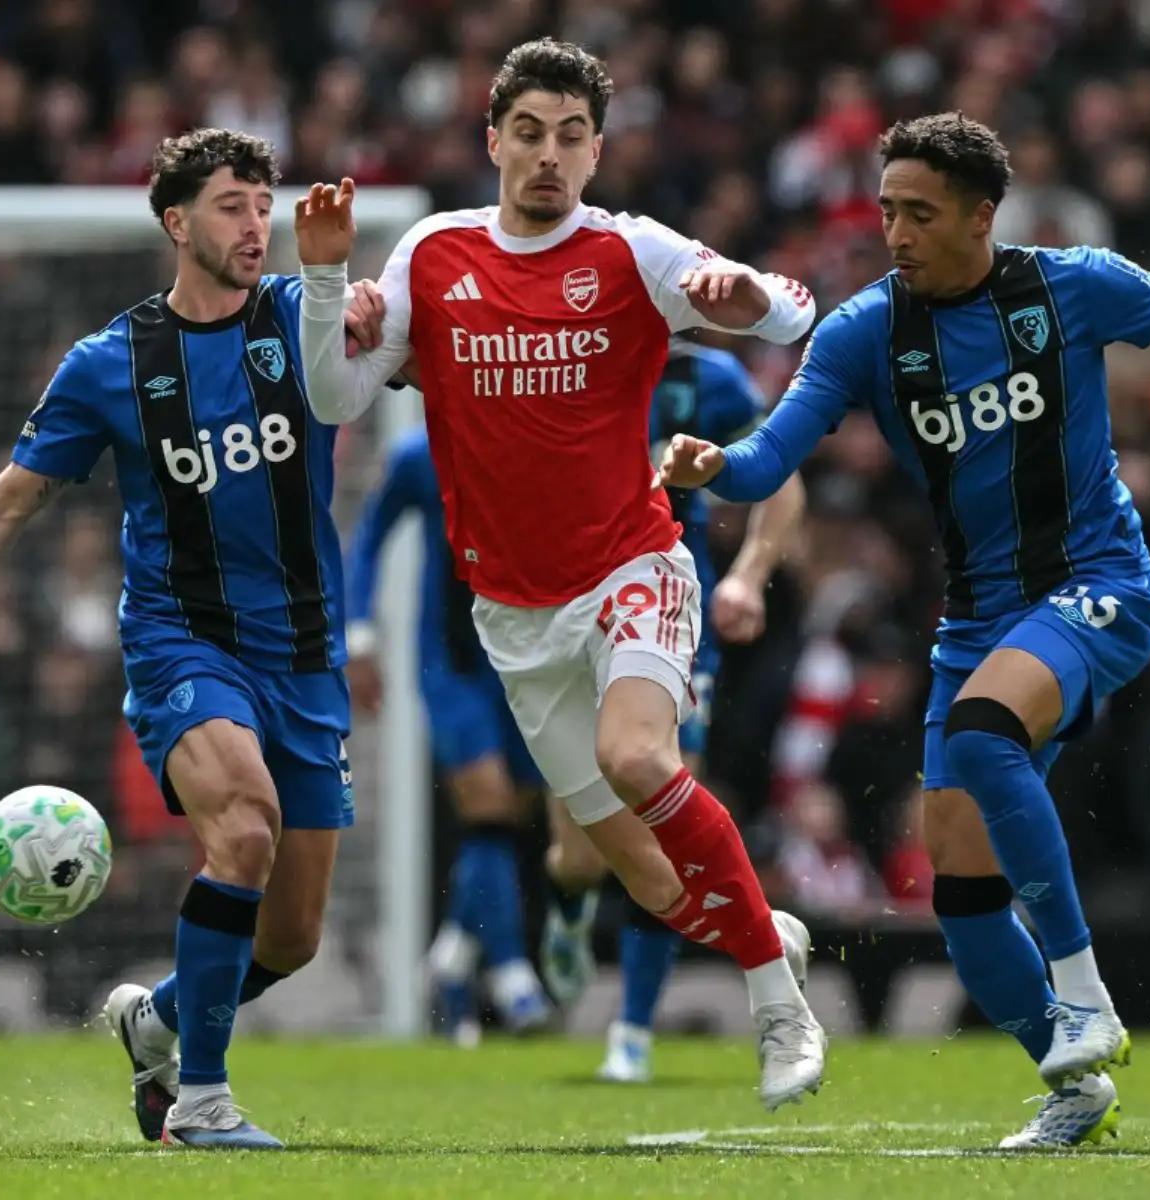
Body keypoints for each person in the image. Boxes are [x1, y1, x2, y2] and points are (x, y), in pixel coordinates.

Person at [656, 112, 1150, 1148]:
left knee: (979, 733)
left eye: (921, 213)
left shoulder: (1070, 286)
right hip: (977, 621)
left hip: (1099, 583)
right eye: (886, 211)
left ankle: (1083, 991)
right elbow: (769, 460)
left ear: (981, 215)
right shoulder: (864, 332)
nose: (898, 233)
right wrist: (711, 466)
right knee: (959, 889)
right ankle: (1075, 1089)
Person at [0, 129, 387, 1150]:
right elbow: (6, 503)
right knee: (243, 832)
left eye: (264, 207)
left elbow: (420, 358)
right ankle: (202, 1102)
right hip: (184, 646)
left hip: (304, 655)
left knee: (293, 937)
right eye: (230, 206)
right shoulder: (110, 363)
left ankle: (157, 1018)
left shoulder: (310, 320)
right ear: (175, 222)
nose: (256, 225)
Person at [293, 38, 827, 1111]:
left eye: (571, 137)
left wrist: (739, 293)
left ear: (596, 151)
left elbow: (789, 312)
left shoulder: (633, 251)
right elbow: (335, 399)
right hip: (514, 617)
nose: (549, 156)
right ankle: (768, 928)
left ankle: (779, 1010)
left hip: (635, 564)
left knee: (638, 755)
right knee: (645, 877)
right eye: (529, 133)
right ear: (494, 141)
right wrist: (319, 284)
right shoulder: (434, 255)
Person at [536, 335, 807, 1083]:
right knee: (583, 854)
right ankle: (567, 900)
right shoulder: (564, 356)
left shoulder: (711, 380)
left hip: (663, 615)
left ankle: (631, 1032)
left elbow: (783, 481)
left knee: (663, 824)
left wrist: (749, 575)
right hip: (566, 615)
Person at [345, 425, 553, 1045]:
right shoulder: (419, 452)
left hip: (533, 656)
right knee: (487, 805)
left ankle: (451, 960)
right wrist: (359, 633)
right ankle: (515, 980)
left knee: (511, 813)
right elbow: (370, 536)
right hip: (453, 662)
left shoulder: (541, 432)